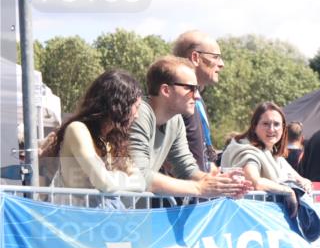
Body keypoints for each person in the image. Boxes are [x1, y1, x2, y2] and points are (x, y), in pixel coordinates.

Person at [129, 56, 248, 197]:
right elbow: (139, 175)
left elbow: (186, 169)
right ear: (166, 90)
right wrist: (200, 188)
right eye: (191, 88)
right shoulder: (139, 114)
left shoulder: (176, 120)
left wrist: (221, 182)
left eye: (197, 89)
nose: (197, 96)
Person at [41, 70, 145, 205]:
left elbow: (141, 183)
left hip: (99, 215)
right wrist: (122, 177)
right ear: (119, 105)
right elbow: (103, 182)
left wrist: (112, 179)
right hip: (73, 215)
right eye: (136, 107)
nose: (137, 115)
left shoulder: (112, 141)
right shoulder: (77, 129)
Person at [220, 102, 312, 201]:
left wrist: (305, 182)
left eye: (276, 124)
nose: (271, 129)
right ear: (254, 126)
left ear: (283, 128)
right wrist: (288, 191)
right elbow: (254, 182)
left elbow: (298, 178)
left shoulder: (272, 153)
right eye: (265, 124)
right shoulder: (247, 152)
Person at [172, 30, 225, 173]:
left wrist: (219, 175)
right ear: (195, 57)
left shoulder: (197, 99)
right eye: (215, 57)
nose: (222, 64)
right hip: (184, 185)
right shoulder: (175, 101)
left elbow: (201, 154)